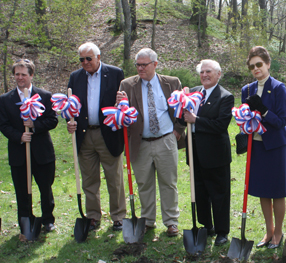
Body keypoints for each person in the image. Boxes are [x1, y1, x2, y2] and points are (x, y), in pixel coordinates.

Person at [116, 48, 185, 237]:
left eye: (144, 65)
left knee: (168, 183)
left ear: (155, 64)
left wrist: (178, 131)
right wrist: (118, 104)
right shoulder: (127, 85)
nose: (140, 68)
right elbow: (121, 114)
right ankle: (147, 220)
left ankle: (171, 221)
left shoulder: (171, 83)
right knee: (144, 183)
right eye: (137, 65)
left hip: (165, 141)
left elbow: (181, 108)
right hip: (140, 143)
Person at [67, 42, 126, 231]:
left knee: (114, 178)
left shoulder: (115, 74)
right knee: (89, 179)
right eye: (81, 59)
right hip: (84, 134)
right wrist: (70, 120)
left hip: (107, 132)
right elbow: (70, 106)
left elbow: (124, 101)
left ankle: (118, 216)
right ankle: (93, 216)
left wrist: (122, 103)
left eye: (88, 58)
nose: (85, 62)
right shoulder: (75, 77)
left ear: (98, 57)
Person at [0, 59, 58, 233]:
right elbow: (3, 124)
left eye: (23, 74)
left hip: (42, 151)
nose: (20, 78)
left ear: (31, 75)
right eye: (17, 74)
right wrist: (19, 136)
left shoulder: (45, 96)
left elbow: (53, 120)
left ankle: (48, 219)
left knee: (45, 187)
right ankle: (26, 220)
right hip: (19, 152)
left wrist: (34, 126)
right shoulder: (5, 100)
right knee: (22, 190)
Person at [182, 59, 234, 246]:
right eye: (202, 72)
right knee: (200, 192)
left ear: (218, 74)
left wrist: (196, 120)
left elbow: (220, 125)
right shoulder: (194, 93)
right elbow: (183, 118)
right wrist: (181, 107)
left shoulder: (225, 96)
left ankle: (222, 231)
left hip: (215, 154)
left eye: (209, 71)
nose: (204, 75)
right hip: (194, 151)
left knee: (219, 193)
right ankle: (206, 226)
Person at [243, 46, 286, 249]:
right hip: (257, 147)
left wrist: (263, 110)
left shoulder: (279, 88)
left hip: (275, 146)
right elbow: (245, 118)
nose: (256, 69)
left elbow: (281, 121)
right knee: (263, 190)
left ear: (268, 64)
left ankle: (278, 232)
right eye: (252, 66)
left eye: (259, 64)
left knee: (277, 191)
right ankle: (268, 231)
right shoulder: (247, 90)